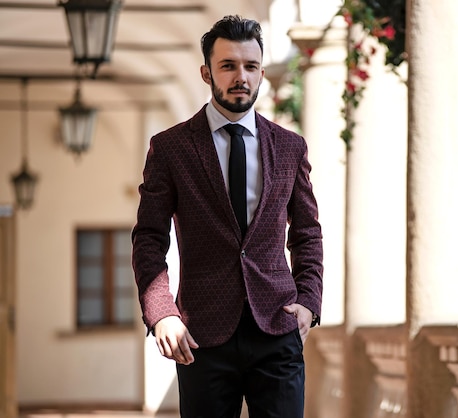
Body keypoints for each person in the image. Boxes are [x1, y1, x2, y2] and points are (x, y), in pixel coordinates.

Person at [131, 15, 323, 418]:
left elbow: (306, 233)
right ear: (207, 73)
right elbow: (149, 237)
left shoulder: (289, 147)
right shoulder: (171, 148)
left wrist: (308, 300)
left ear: (262, 72)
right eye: (228, 66)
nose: (241, 77)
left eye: (251, 67)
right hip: (202, 335)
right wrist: (161, 312)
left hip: (277, 327)